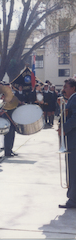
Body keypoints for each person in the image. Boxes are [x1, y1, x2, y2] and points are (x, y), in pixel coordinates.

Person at [59, 78, 76, 209]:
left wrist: (64, 129)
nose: (63, 89)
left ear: (73, 88)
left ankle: (73, 200)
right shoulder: (71, 99)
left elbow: (74, 118)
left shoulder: (75, 99)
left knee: (73, 170)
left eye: (66, 87)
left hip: (73, 141)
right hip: (71, 140)